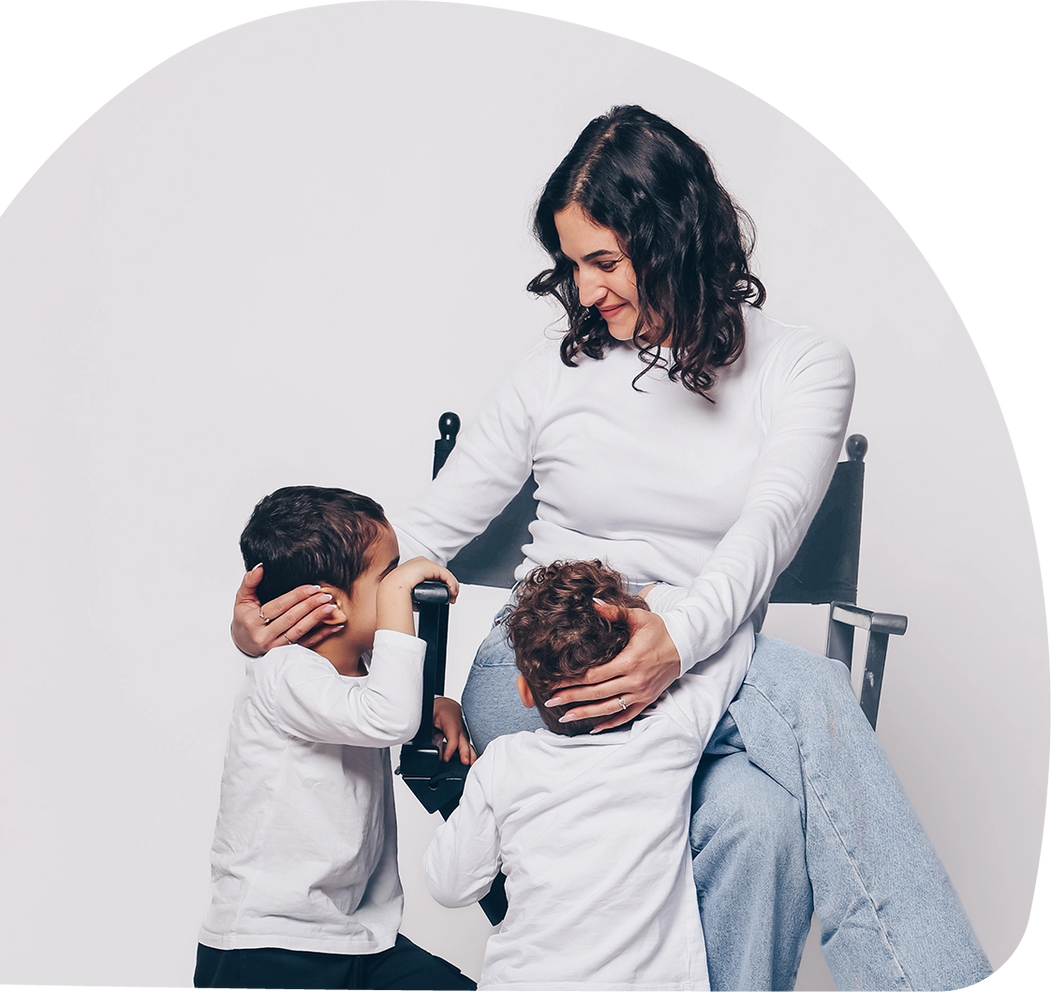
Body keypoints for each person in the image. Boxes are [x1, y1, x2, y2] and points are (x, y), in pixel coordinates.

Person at [230, 108, 993, 992]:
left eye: (604, 261)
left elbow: (770, 527)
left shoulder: (807, 367)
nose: (585, 292)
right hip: (547, 654)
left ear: (674, 237)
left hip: (705, 645)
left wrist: (672, 641)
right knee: (812, 695)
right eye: (572, 265)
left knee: (758, 824)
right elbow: (424, 531)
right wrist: (290, 634)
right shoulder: (550, 374)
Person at [195, 486, 477, 992]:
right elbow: (383, 716)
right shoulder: (283, 672)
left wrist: (436, 706)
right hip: (269, 947)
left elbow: (377, 706)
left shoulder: (360, 680)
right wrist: (396, 600)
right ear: (328, 603)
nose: (402, 588)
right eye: (388, 575)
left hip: (355, 938)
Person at [424, 560, 752, 991]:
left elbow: (450, 886)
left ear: (523, 692)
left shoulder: (504, 761)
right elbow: (735, 631)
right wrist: (653, 604)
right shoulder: (670, 735)